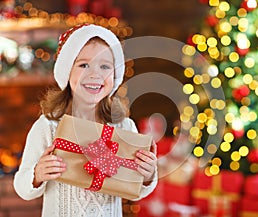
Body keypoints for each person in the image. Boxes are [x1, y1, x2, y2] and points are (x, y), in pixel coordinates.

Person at [13, 23, 158, 217]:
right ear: (67, 70)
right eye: (83, 65)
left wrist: (147, 176)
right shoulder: (48, 127)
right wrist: (37, 174)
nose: (94, 74)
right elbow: (22, 187)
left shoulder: (123, 127)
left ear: (115, 75)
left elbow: (135, 190)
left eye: (105, 66)